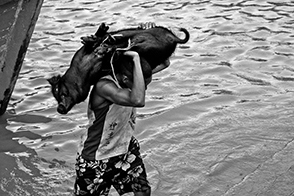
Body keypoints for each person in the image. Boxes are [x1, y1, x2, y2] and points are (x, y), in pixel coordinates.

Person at [74, 49, 152, 196]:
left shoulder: (130, 75)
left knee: (142, 191)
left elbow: (165, 63)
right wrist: (135, 59)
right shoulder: (104, 86)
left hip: (124, 147)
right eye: (142, 84)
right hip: (96, 156)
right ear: (123, 78)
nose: (144, 89)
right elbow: (138, 100)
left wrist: (148, 38)